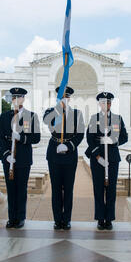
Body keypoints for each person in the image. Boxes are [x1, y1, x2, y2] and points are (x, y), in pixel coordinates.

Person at [0, 87, 41, 229]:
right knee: (10, 189)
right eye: (14, 97)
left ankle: (20, 217)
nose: (16, 100)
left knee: (21, 189)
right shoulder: (4, 116)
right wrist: (6, 155)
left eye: (19, 97)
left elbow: (36, 138)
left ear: (23, 99)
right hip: (8, 158)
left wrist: (21, 138)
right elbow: (1, 137)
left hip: (23, 158)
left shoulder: (31, 116)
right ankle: (12, 218)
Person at [43, 86, 84, 230]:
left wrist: (69, 146)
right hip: (54, 154)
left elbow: (80, 134)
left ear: (70, 98)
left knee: (68, 189)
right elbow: (46, 121)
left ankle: (66, 219)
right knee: (56, 189)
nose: (64, 99)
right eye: (62, 97)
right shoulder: (50, 112)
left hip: (69, 154)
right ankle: (57, 219)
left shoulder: (77, 114)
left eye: (66, 97)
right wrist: (58, 110)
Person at [85, 92, 128, 230]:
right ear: (99, 104)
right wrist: (98, 157)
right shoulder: (94, 119)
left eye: (108, 102)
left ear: (111, 103)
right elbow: (90, 140)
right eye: (103, 102)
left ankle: (109, 219)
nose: (106, 105)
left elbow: (124, 137)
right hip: (97, 159)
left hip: (113, 158)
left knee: (111, 189)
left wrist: (112, 140)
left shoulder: (117, 118)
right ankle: (100, 218)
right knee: (98, 189)